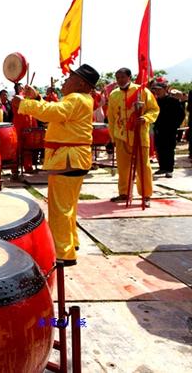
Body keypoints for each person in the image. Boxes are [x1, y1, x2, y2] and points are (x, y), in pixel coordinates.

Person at [12, 64, 100, 265]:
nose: (65, 81)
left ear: (80, 83)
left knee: (60, 208)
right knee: (68, 206)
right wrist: (36, 99)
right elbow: (59, 113)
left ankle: (63, 253)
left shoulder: (77, 98)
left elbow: (54, 112)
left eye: (70, 78)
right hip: (75, 157)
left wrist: (25, 104)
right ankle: (70, 242)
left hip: (68, 158)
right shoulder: (82, 99)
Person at [107, 68, 159, 207]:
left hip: (139, 135)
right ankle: (124, 193)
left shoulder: (142, 91)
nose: (120, 80)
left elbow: (154, 109)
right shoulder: (113, 94)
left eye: (122, 77)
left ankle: (146, 195)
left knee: (143, 167)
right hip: (121, 135)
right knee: (123, 167)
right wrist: (112, 137)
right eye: (117, 77)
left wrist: (145, 118)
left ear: (129, 77)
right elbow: (111, 118)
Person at [152, 80, 184, 178]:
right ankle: (162, 167)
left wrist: (175, 126)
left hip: (170, 129)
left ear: (165, 89)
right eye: (156, 90)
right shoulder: (155, 102)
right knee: (159, 148)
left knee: (169, 149)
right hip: (158, 128)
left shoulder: (173, 101)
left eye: (159, 89)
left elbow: (181, 115)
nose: (157, 92)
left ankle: (169, 169)